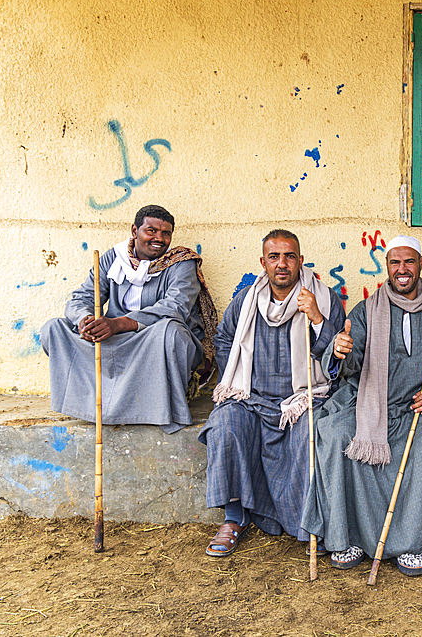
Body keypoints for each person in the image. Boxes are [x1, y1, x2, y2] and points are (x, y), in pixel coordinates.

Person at [302, 236, 422, 576]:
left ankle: (412, 542)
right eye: (394, 263)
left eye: (409, 262)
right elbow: (352, 362)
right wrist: (341, 349)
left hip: (419, 406)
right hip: (369, 399)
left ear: (420, 264)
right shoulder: (366, 310)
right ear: (387, 267)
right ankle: (350, 536)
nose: (402, 270)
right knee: (336, 433)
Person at [198, 230, 345, 557]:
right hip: (251, 400)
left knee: (310, 434)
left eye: (289, 256)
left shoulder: (322, 298)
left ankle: (307, 524)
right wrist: (234, 381)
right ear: (263, 262)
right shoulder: (247, 300)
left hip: (304, 400)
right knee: (224, 425)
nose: (282, 264)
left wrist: (317, 319)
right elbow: (223, 339)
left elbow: (338, 353)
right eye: (274, 257)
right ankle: (234, 517)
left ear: (300, 261)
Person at [40, 204, 218, 434]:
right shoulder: (111, 258)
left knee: (171, 331)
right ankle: (93, 405)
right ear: (135, 231)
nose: (159, 238)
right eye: (151, 231)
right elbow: (81, 298)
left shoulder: (182, 262)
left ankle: (154, 408)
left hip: (152, 342)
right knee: (53, 329)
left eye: (166, 233)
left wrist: (119, 324)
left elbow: (176, 307)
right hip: (114, 341)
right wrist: (85, 320)